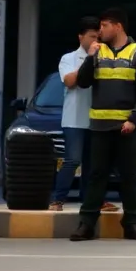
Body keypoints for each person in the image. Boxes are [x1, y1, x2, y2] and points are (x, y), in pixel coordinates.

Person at [70, 8, 136, 242]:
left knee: (129, 178)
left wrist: (133, 120)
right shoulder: (97, 51)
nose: (100, 31)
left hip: (128, 128)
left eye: (104, 26)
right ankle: (86, 225)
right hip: (100, 127)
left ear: (118, 26)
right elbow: (83, 83)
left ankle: (132, 224)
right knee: (96, 175)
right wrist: (90, 58)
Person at [50, 17, 98, 210]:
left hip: (96, 119)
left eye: (98, 37)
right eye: (92, 36)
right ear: (81, 37)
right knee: (72, 160)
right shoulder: (68, 58)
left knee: (92, 164)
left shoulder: (104, 57)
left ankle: (89, 201)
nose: (95, 41)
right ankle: (58, 199)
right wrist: (89, 60)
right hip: (74, 119)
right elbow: (69, 81)